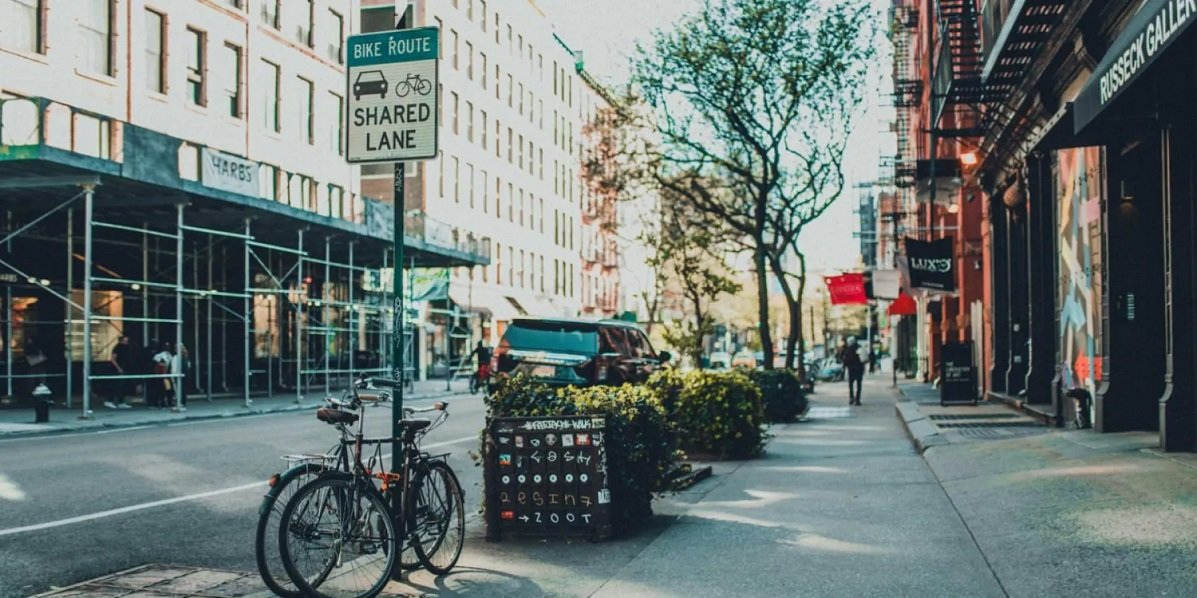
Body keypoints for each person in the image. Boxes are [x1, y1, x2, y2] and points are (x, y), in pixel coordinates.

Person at [105, 336, 135, 409]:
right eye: (125, 340)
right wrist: (118, 368)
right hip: (116, 369)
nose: (126, 342)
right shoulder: (117, 348)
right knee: (114, 385)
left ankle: (121, 401)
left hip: (124, 368)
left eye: (127, 340)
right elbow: (113, 359)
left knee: (122, 385)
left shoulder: (126, 348)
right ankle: (109, 400)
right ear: (120, 341)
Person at [842, 337, 865, 406]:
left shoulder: (848, 350)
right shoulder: (859, 348)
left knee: (851, 384)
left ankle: (851, 398)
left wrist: (844, 366)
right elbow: (863, 358)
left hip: (851, 369)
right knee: (859, 385)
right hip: (859, 369)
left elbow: (846, 360)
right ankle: (858, 399)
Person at [153, 342, 174, 409]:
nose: (167, 348)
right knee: (161, 389)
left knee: (169, 389)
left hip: (168, 374)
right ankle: (161, 402)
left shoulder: (170, 355)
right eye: (166, 346)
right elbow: (157, 364)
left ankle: (169, 401)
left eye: (168, 346)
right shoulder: (159, 355)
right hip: (161, 375)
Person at [170, 342, 189, 412]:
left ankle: (179, 402)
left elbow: (174, 369)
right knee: (182, 390)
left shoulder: (177, 357)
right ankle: (181, 402)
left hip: (178, 376)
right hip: (184, 376)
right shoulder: (185, 357)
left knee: (178, 390)